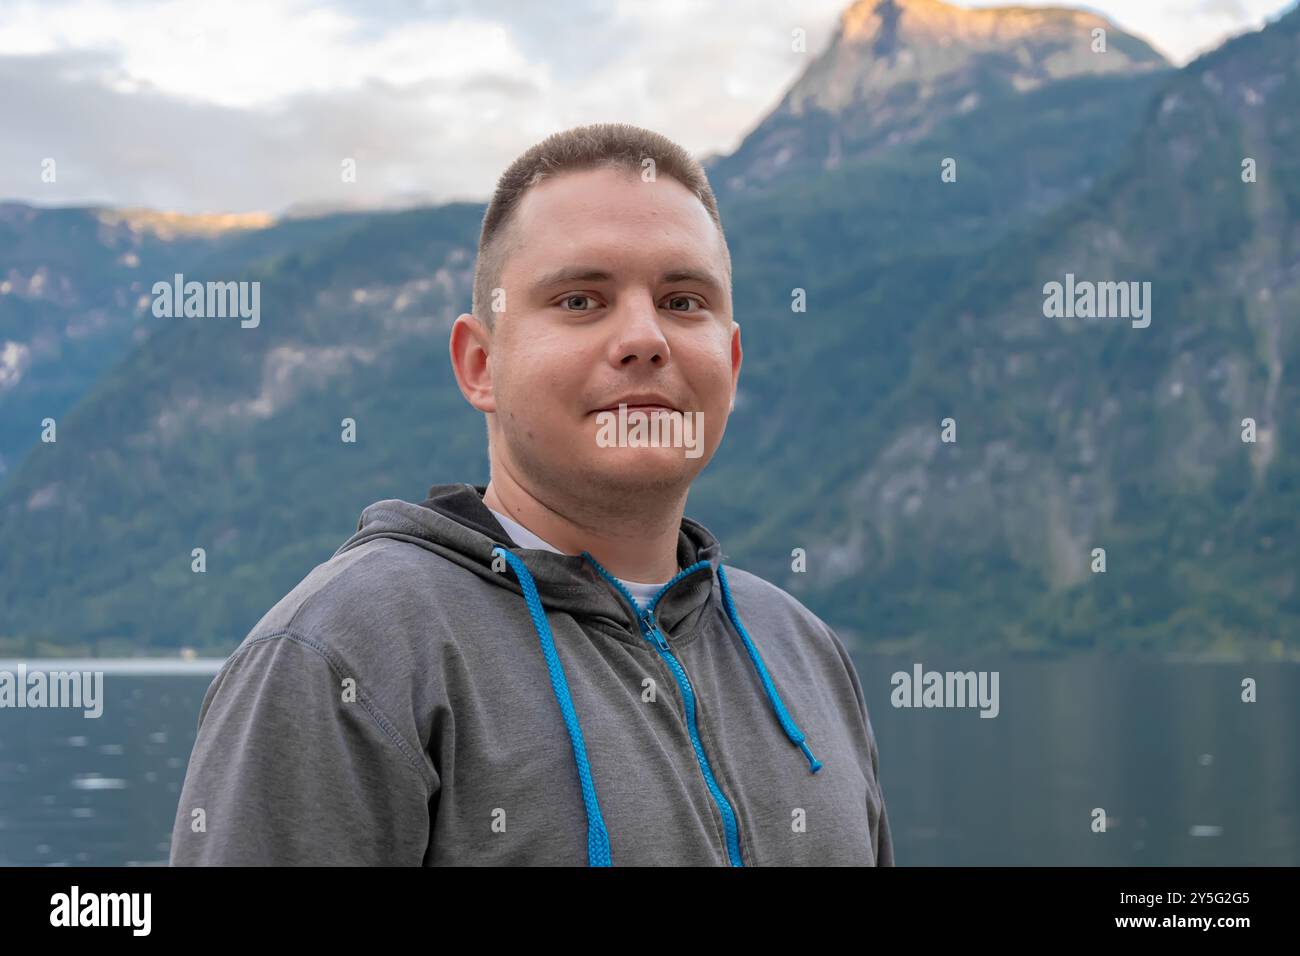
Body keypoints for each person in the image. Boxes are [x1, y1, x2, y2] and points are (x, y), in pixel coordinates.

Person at [169, 122, 893, 866]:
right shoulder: (342, 653)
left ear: (731, 365)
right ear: (480, 364)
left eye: (683, 301)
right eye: (581, 301)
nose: (645, 338)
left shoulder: (803, 650)